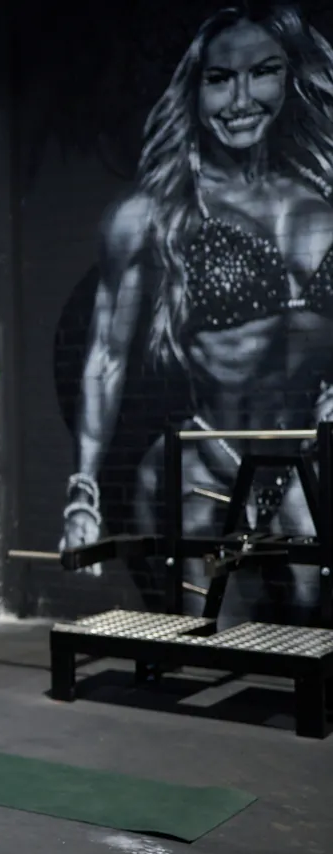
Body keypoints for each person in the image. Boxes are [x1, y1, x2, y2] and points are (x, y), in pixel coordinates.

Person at [61, 6, 333, 625]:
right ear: (195, 88)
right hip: (204, 465)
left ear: (290, 78)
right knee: (199, 635)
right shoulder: (150, 216)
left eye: (262, 73)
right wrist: (83, 490)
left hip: (304, 463)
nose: (240, 99)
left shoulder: (322, 197)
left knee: (314, 634)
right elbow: (105, 355)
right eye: (218, 79)